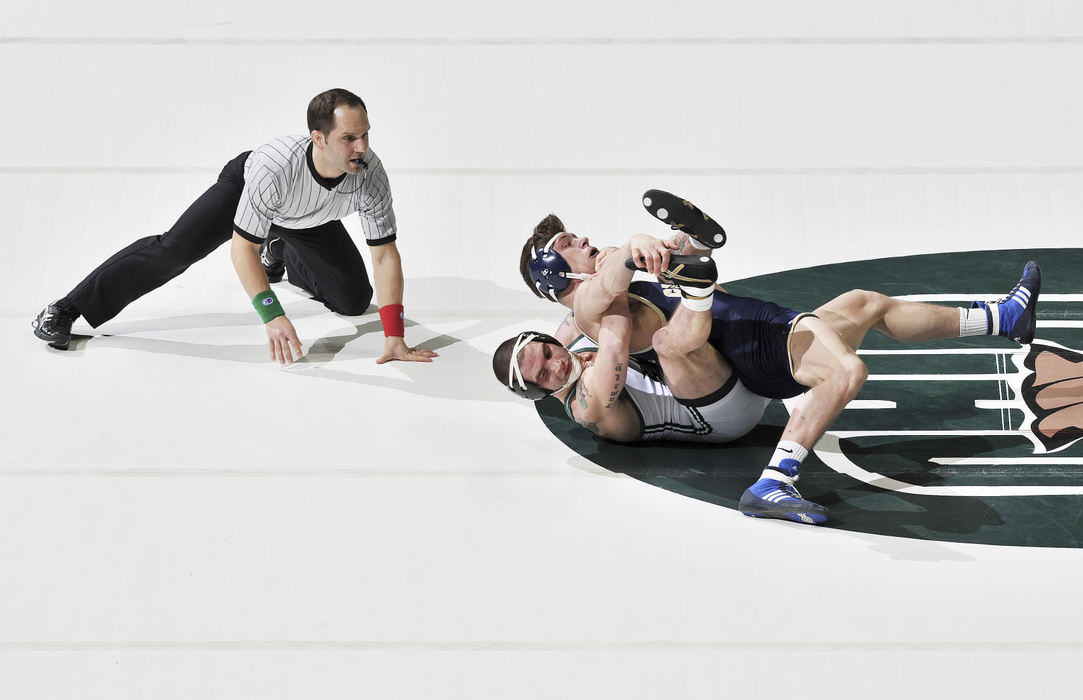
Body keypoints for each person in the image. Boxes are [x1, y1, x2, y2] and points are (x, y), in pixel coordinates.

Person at [514, 190, 1042, 524]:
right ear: (552, 273)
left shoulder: (612, 286)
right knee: (847, 370)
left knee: (865, 304)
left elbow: (671, 262)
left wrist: (684, 241)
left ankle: (1002, 319)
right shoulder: (587, 305)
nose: (581, 237)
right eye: (566, 242)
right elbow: (606, 284)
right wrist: (632, 247)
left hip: (744, 331)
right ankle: (774, 482)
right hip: (742, 347)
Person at [31, 88, 437, 365]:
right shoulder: (274, 166)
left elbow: (384, 255)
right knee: (173, 252)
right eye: (350, 137)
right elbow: (242, 248)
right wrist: (272, 313)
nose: (362, 148)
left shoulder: (369, 173)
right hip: (249, 191)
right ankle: (67, 308)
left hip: (308, 217)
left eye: (366, 135)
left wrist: (394, 335)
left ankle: (279, 250)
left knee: (352, 300)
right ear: (318, 138)